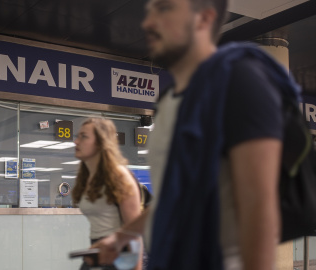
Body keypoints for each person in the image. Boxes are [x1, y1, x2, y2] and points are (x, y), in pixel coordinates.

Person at [91, 0, 301, 269]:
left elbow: (259, 208)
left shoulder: (242, 82)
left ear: (204, 19)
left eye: (165, 9)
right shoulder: (170, 101)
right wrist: (123, 236)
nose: (149, 22)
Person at [73, 118, 143, 270]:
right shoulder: (87, 177)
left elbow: (135, 234)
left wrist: (137, 268)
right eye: (77, 136)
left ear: (100, 142)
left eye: (84, 136)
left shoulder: (119, 176)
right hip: (97, 251)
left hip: (119, 256)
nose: (76, 142)